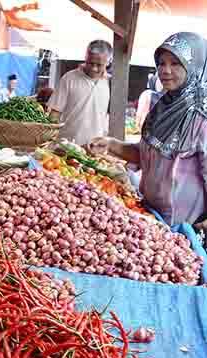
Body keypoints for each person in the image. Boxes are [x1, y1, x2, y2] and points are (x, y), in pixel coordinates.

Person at [88, 32, 207, 228]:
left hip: (185, 227)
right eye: (161, 63)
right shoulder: (161, 108)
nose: (165, 70)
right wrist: (111, 145)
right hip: (150, 216)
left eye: (175, 63)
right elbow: (145, 155)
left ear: (194, 67)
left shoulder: (201, 120)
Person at [48, 40, 112, 146]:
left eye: (99, 65)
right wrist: (49, 139)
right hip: (66, 147)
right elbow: (54, 114)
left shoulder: (110, 83)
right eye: (90, 63)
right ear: (85, 57)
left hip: (95, 149)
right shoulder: (69, 78)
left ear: (108, 62)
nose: (94, 68)